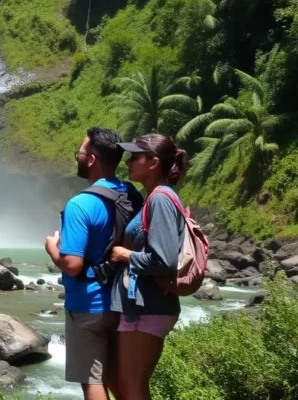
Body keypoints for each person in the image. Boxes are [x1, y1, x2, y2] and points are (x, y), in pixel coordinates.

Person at [45, 127, 134, 400]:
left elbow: (72, 264)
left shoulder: (81, 204)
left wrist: (52, 249)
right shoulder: (132, 195)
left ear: (92, 159)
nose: (78, 158)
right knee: (119, 380)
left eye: (80, 153)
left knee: (92, 381)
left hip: (88, 305)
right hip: (124, 301)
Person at [110, 134, 189, 400]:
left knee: (133, 387)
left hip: (149, 307)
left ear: (154, 162)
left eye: (135, 157)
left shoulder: (160, 200)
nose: (129, 162)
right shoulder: (155, 197)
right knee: (127, 383)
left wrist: (125, 255)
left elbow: (164, 260)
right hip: (145, 306)